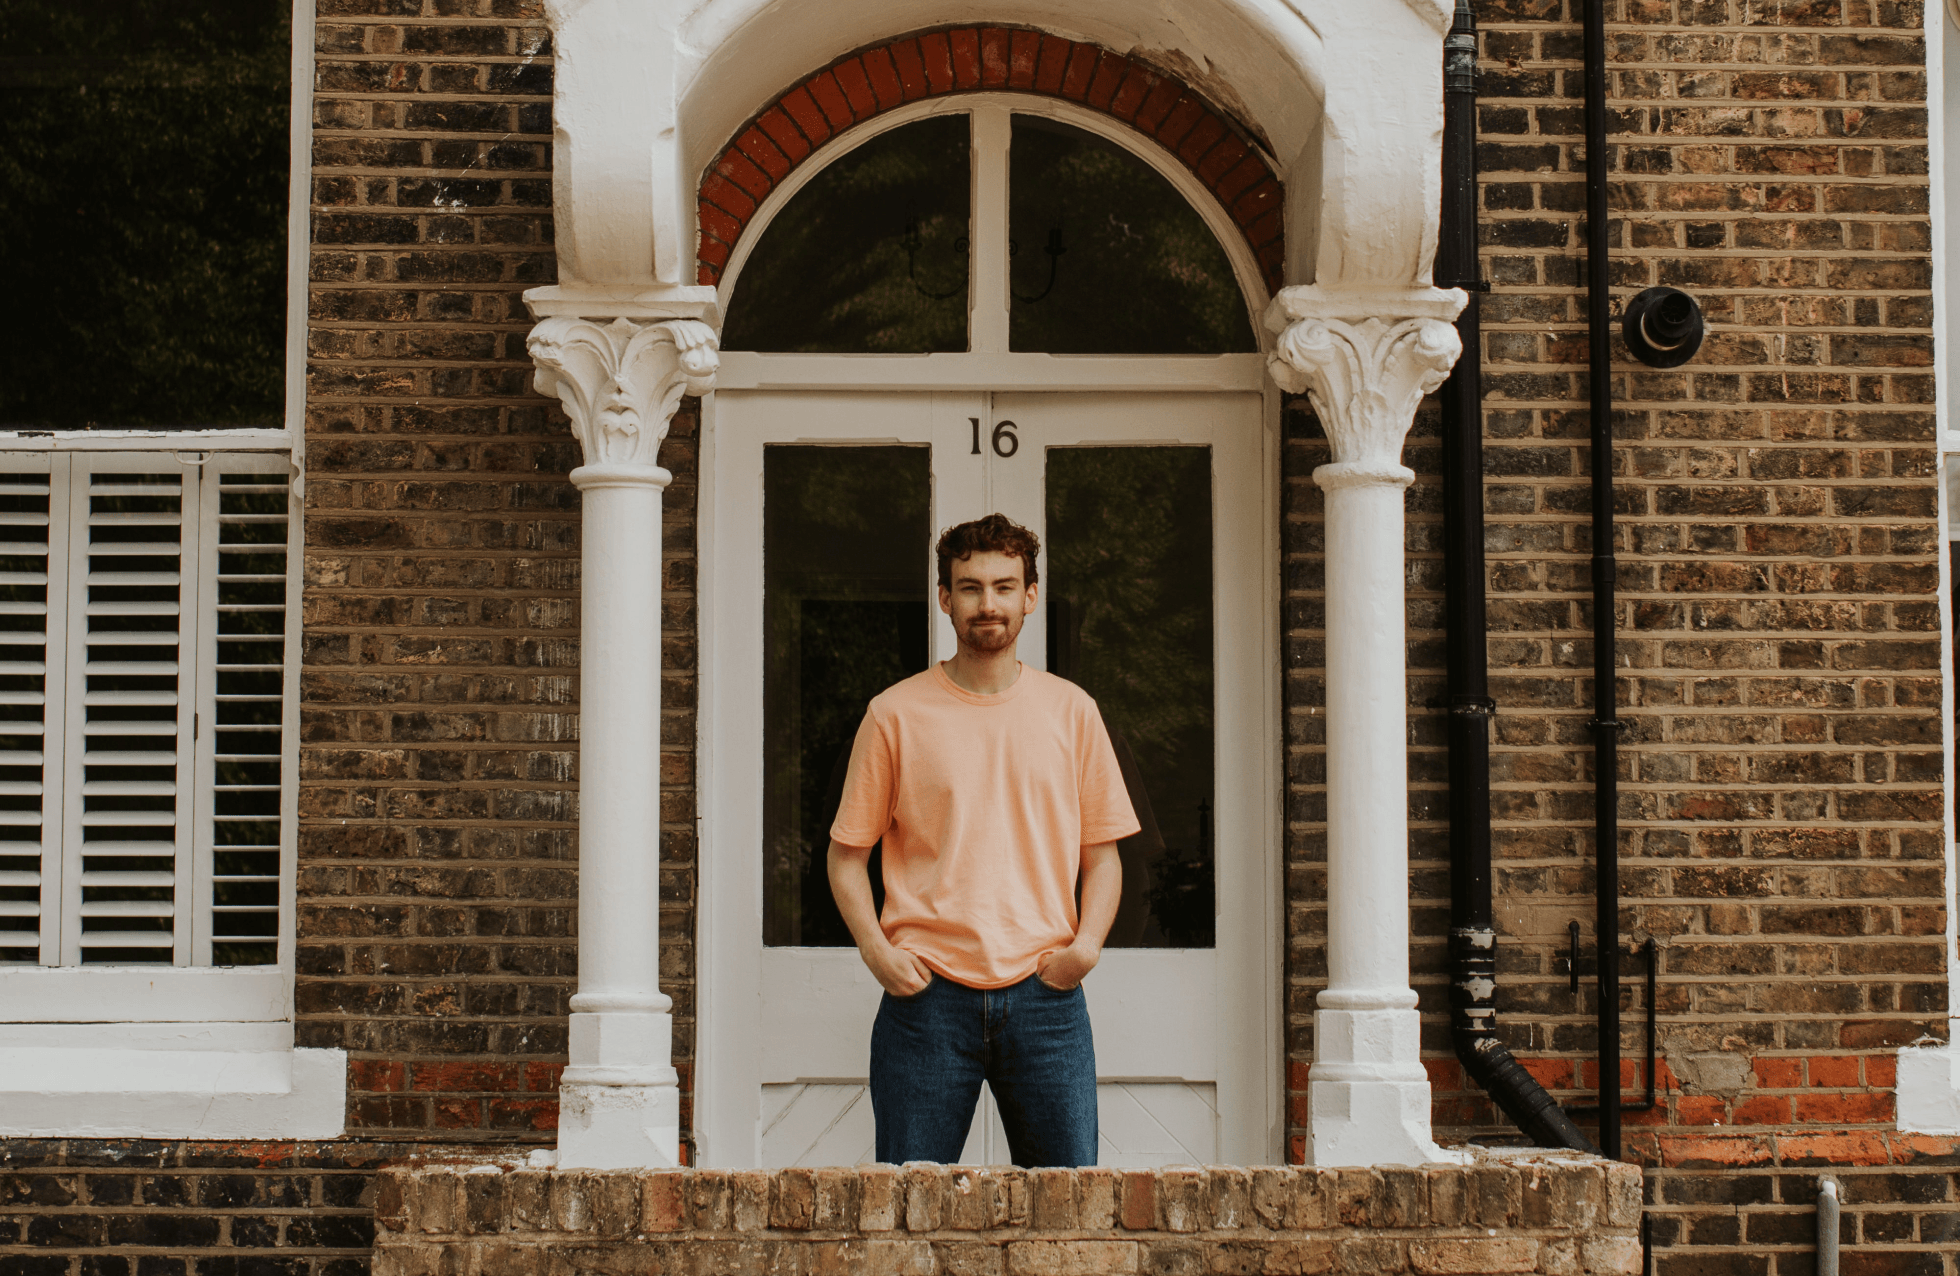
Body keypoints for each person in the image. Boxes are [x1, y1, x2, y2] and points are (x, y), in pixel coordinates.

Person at [826, 513, 1139, 1167]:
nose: (987, 603)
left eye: (1003, 586)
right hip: (928, 999)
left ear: (1030, 595)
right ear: (945, 599)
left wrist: (1084, 949)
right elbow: (846, 856)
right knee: (910, 1213)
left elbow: (1102, 855)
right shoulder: (895, 714)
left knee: (1068, 1214)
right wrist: (878, 954)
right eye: (969, 587)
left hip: (1046, 997)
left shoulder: (1071, 711)